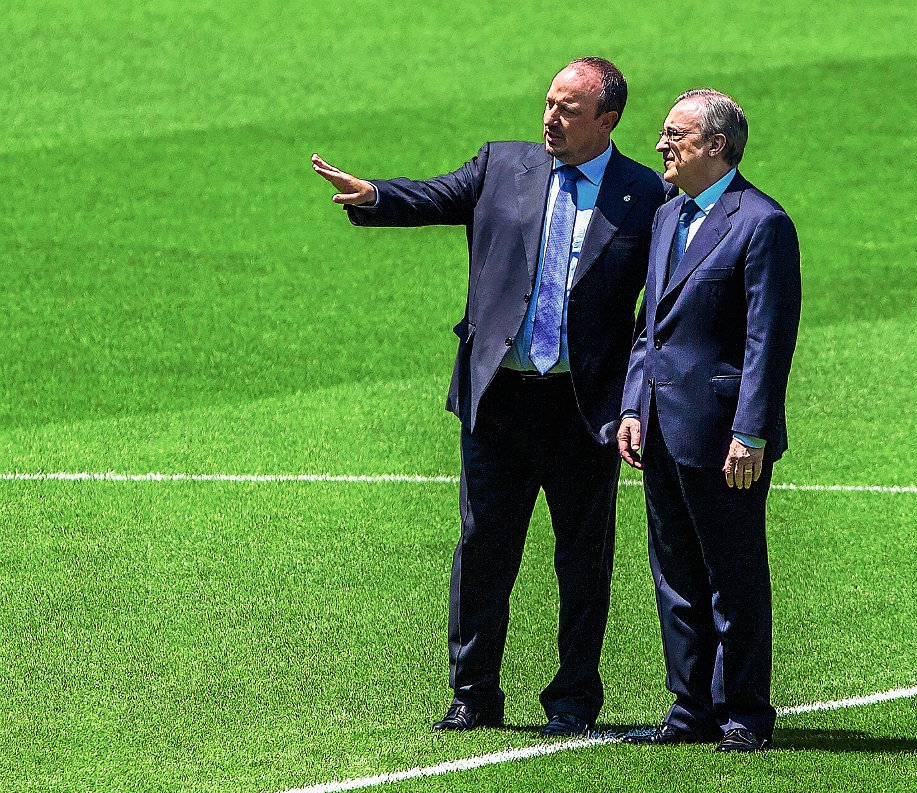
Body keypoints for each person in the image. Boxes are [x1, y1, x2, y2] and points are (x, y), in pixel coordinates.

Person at [311, 58, 670, 737]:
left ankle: (573, 700)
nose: (550, 118)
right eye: (549, 102)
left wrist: (637, 399)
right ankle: (473, 693)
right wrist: (373, 195)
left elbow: (658, 308)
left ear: (608, 120)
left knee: (583, 561)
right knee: (482, 551)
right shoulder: (503, 165)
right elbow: (436, 196)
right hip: (498, 400)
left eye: (568, 110)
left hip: (583, 408)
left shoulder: (643, 193)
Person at [616, 89, 801, 752]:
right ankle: (689, 709)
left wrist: (750, 432)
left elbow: (767, 340)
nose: (661, 145)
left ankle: (744, 713)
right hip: (661, 424)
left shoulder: (762, 223)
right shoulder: (669, 215)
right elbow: (650, 327)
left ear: (716, 145)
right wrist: (633, 405)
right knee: (675, 577)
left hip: (724, 435)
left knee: (733, 577)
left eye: (676, 135)